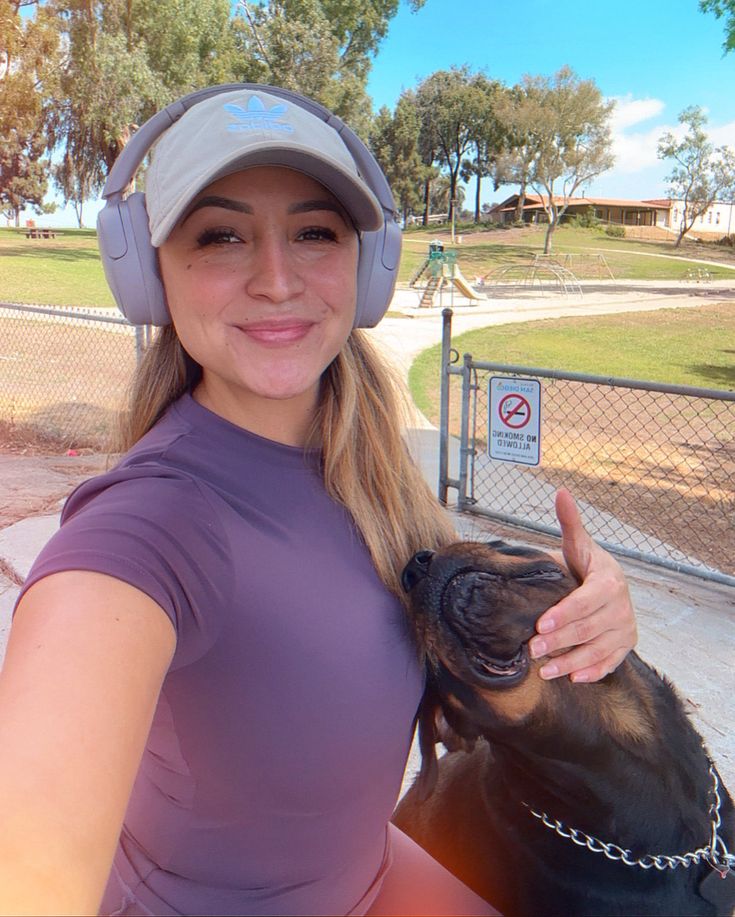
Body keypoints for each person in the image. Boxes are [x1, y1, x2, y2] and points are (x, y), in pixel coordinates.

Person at [0, 85, 637, 917]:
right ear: (149, 273)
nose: (275, 278)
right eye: (221, 235)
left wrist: (580, 619)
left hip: (370, 876)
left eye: (313, 232)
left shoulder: (374, 469)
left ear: (365, 268)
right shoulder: (148, 526)